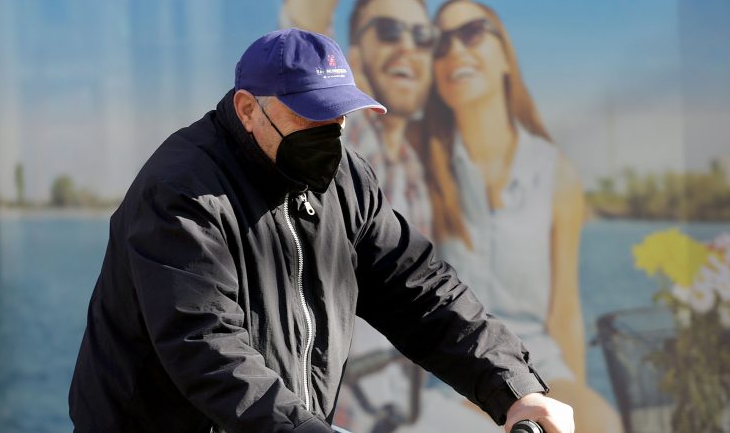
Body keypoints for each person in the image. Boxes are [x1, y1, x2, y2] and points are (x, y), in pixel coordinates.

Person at [68, 28, 574, 433]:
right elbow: (206, 347)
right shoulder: (181, 191)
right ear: (248, 109)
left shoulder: (346, 179)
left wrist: (514, 388)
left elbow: (420, 290)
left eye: (338, 116)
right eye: (310, 115)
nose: (328, 135)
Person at [417, 0, 622, 433]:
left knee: (602, 423)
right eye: (439, 43)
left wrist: (569, 411)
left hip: (539, 364)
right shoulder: (420, 164)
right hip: (452, 369)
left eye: (471, 32)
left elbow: (564, 309)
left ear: (506, 56)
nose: (455, 50)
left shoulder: (556, 172)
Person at [283, 0, 436, 431]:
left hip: (399, 410)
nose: (407, 46)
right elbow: (304, 18)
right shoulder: (346, 138)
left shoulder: (417, 167)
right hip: (325, 414)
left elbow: (420, 288)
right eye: (388, 30)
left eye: (422, 36)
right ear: (354, 55)